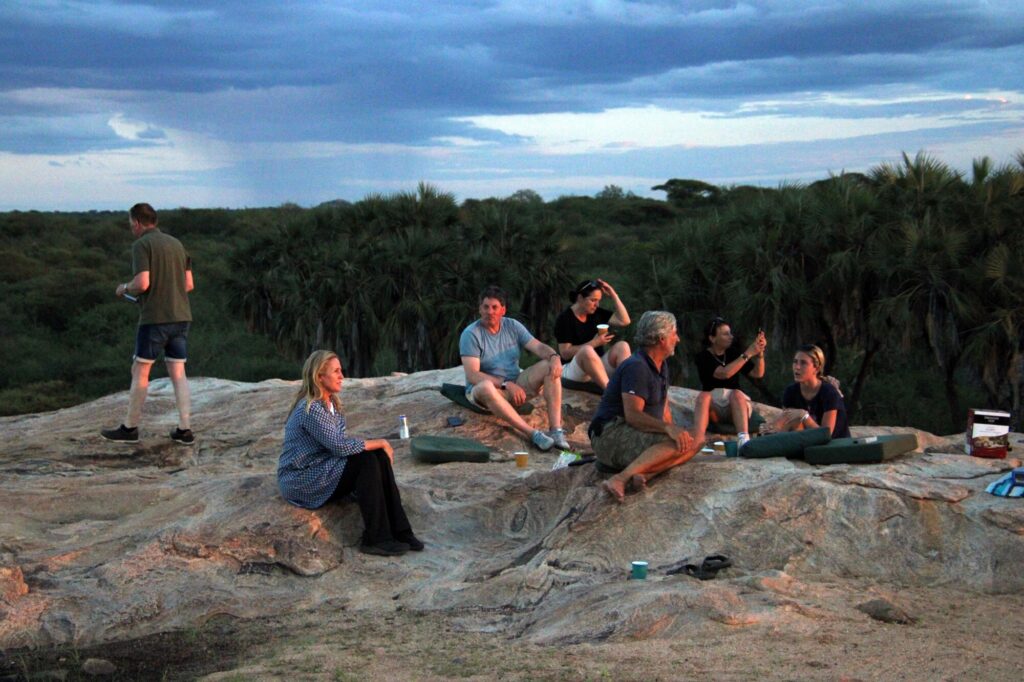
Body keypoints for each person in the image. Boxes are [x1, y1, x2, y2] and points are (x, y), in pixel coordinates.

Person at [278, 350, 422, 557]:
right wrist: (380, 441)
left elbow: (341, 446)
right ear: (319, 376)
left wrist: (377, 448)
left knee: (377, 457)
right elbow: (340, 447)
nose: (342, 376)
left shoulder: (332, 404)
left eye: (341, 371)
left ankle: (401, 531)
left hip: (322, 469)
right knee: (366, 459)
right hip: (301, 479)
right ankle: (376, 539)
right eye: (336, 371)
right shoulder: (310, 408)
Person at [101, 203, 195, 444]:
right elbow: (188, 285)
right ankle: (185, 429)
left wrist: (124, 288)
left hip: (155, 318)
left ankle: (130, 428)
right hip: (181, 316)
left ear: (137, 223)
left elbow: (142, 283)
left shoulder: (142, 245)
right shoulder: (177, 244)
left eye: (130, 223)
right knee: (178, 372)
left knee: (140, 371)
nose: (131, 227)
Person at [589, 311, 701, 502]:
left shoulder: (661, 365)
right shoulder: (637, 367)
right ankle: (620, 478)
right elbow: (633, 415)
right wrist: (668, 430)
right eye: (674, 334)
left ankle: (645, 474)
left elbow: (663, 409)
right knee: (678, 443)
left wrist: (674, 430)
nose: (678, 339)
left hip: (633, 432)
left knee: (696, 439)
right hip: (610, 433)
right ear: (661, 338)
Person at [460, 285, 569, 451]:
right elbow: (473, 375)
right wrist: (506, 384)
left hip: (516, 384)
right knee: (485, 386)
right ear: (480, 309)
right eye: (486, 307)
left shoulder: (512, 326)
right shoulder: (471, 334)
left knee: (549, 366)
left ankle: (556, 430)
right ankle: (532, 434)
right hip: (488, 390)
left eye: (495, 307)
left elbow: (539, 347)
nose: (490, 312)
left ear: (503, 310)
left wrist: (555, 357)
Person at [692, 317, 766, 449]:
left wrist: (759, 354)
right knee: (703, 396)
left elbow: (757, 373)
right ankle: (698, 439)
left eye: (730, 333)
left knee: (737, 394)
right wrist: (747, 354)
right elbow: (724, 373)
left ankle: (743, 439)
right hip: (714, 408)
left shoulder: (733, 353)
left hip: (734, 405)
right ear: (712, 338)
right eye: (725, 334)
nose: (730, 337)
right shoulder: (703, 357)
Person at [554, 278, 632, 390]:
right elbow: (565, 353)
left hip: (597, 367)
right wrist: (595, 343)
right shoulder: (565, 318)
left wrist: (613, 294)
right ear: (580, 298)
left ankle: (628, 390)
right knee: (587, 350)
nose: (597, 304)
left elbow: (625, 321)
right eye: (593, 300)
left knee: (622, 346)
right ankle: (611, 394)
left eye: (598, 300)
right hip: (573, 370)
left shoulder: (596, 313)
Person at [771, 344, 851, 438]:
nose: (797, 367)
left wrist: (804, 416)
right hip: (807, 444)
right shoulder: (790, 392)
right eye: (795, 362)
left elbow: (826, 435)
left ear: (816, 368)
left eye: (803, 363)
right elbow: (788, 425)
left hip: (836, 446)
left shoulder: (829, 393)